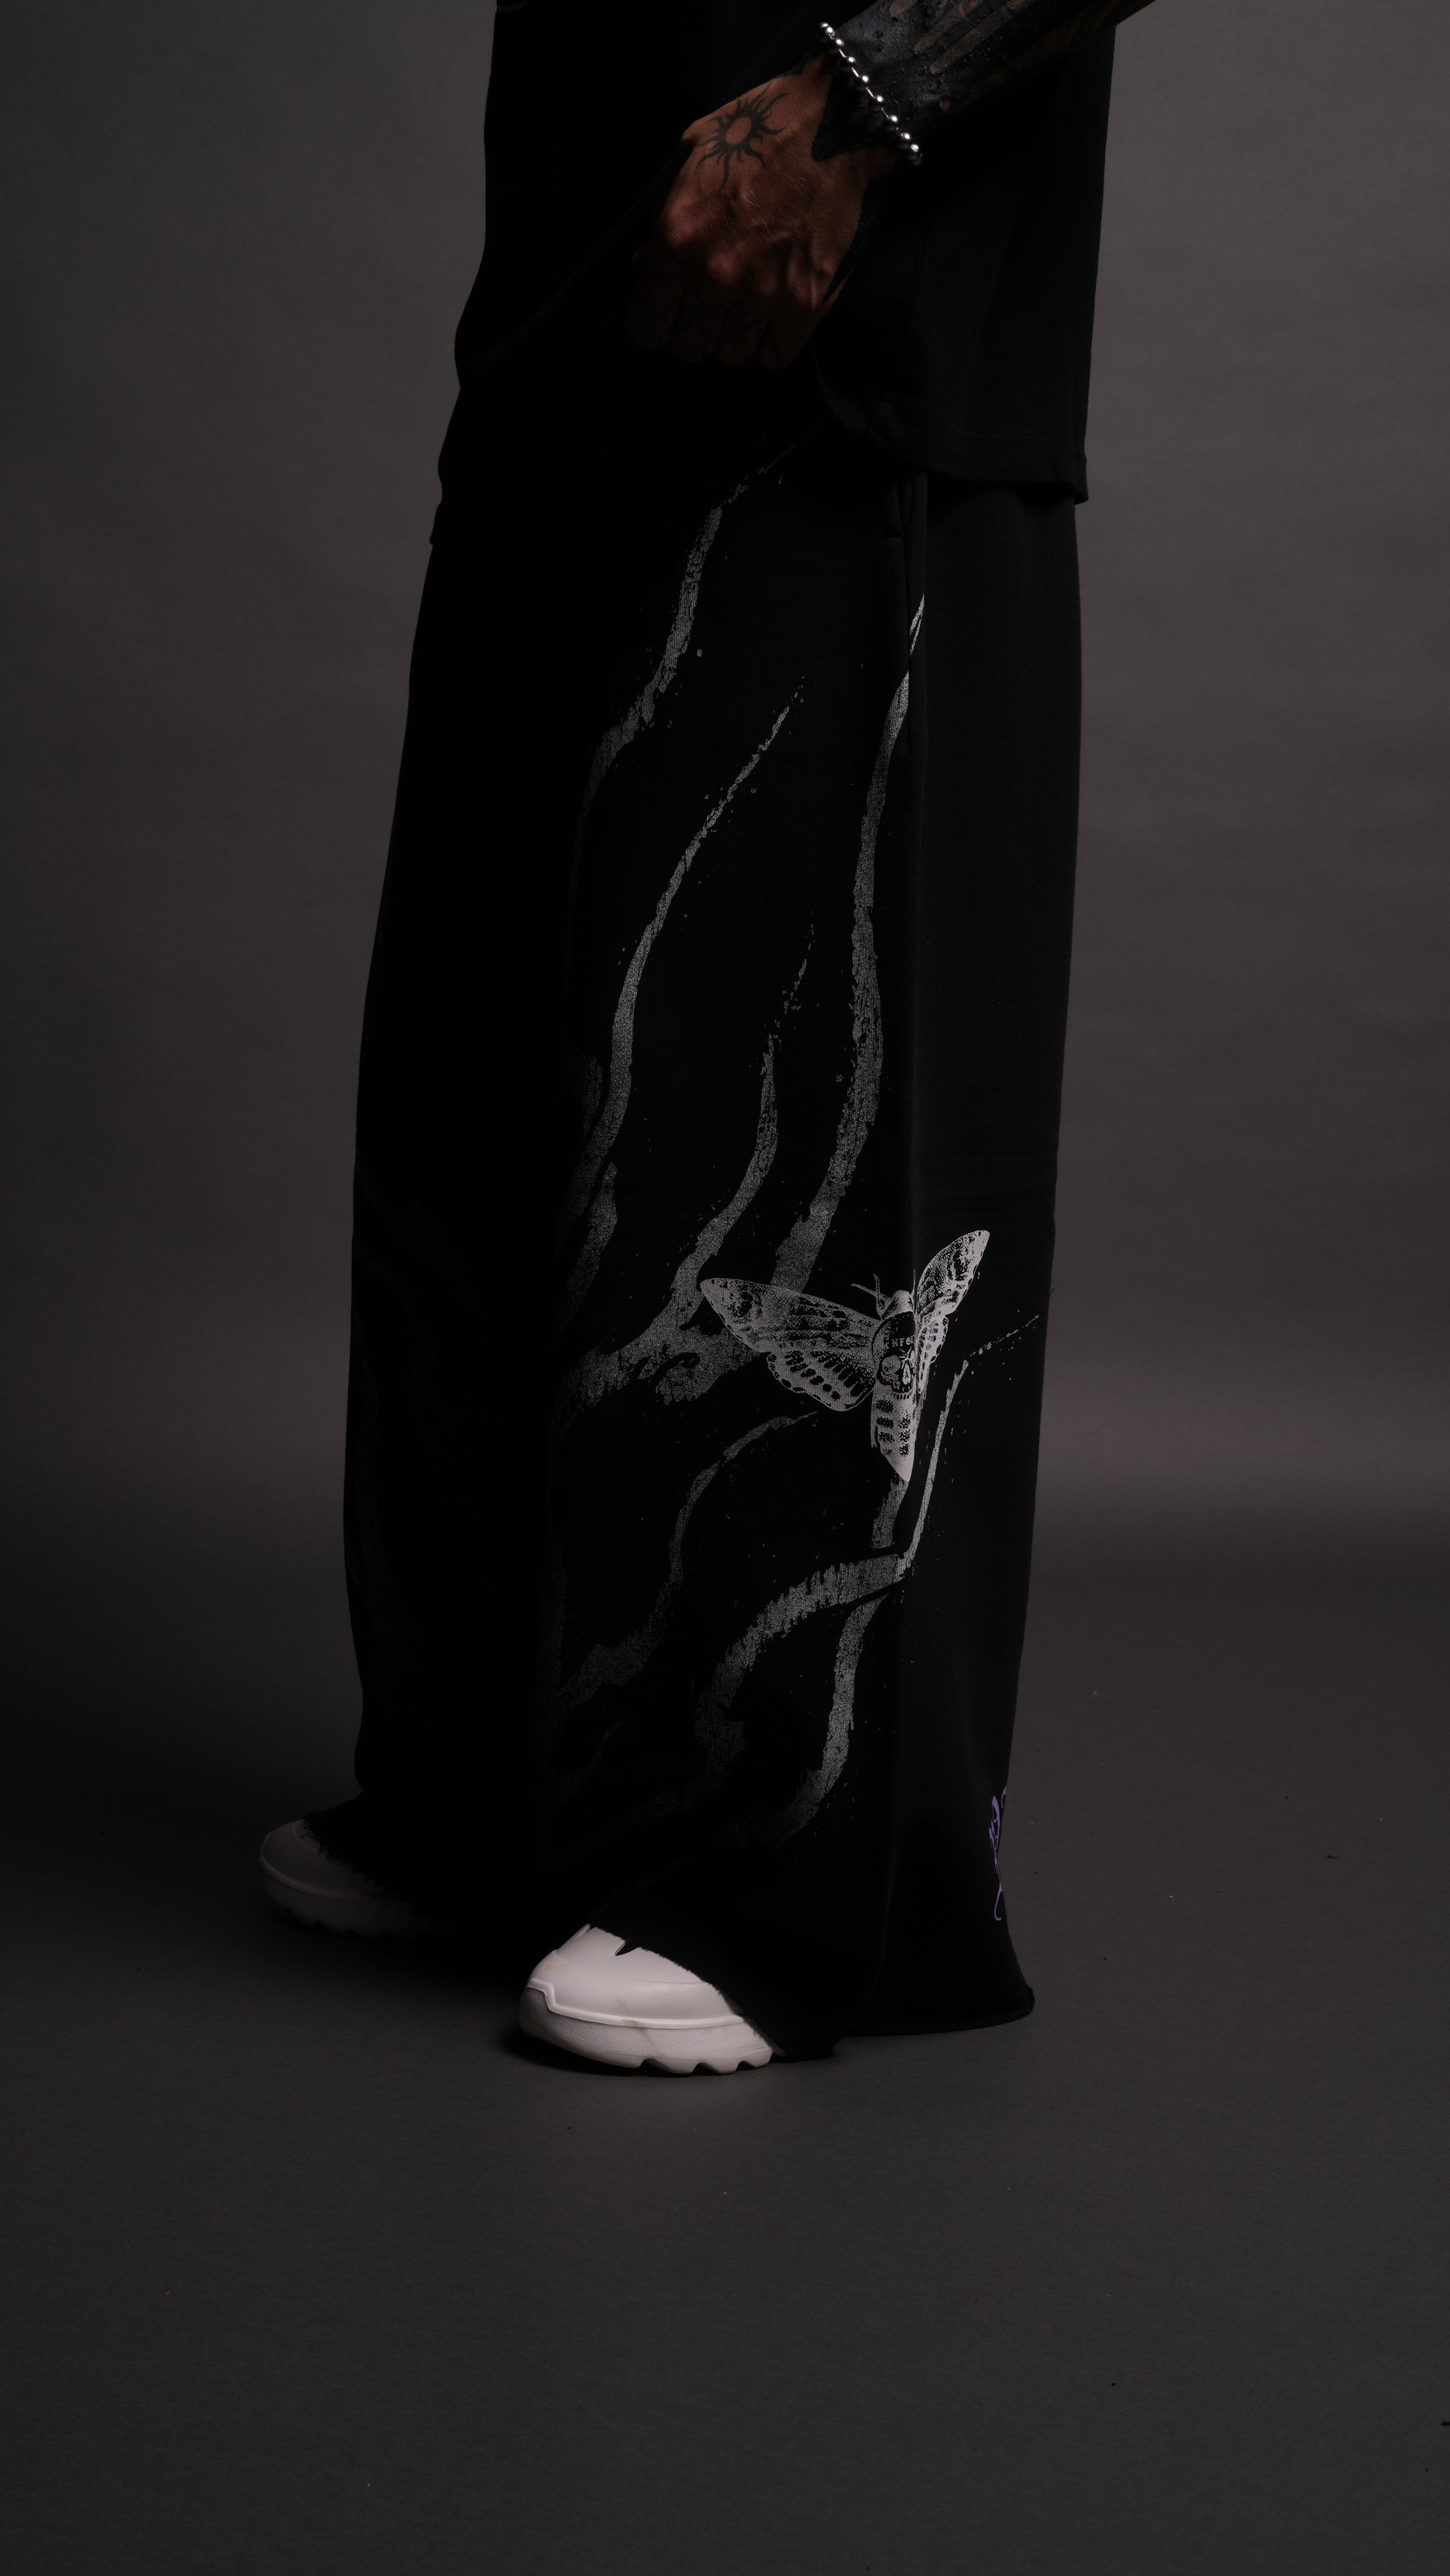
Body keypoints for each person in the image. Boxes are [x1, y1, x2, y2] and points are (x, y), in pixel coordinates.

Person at [261, 0, 1157, 2071]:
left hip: (849, 293)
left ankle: (771, 1869)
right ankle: (496, 1804)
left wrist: (864, 98)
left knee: (787, 1103)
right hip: (584, 288)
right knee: (491, 1110)